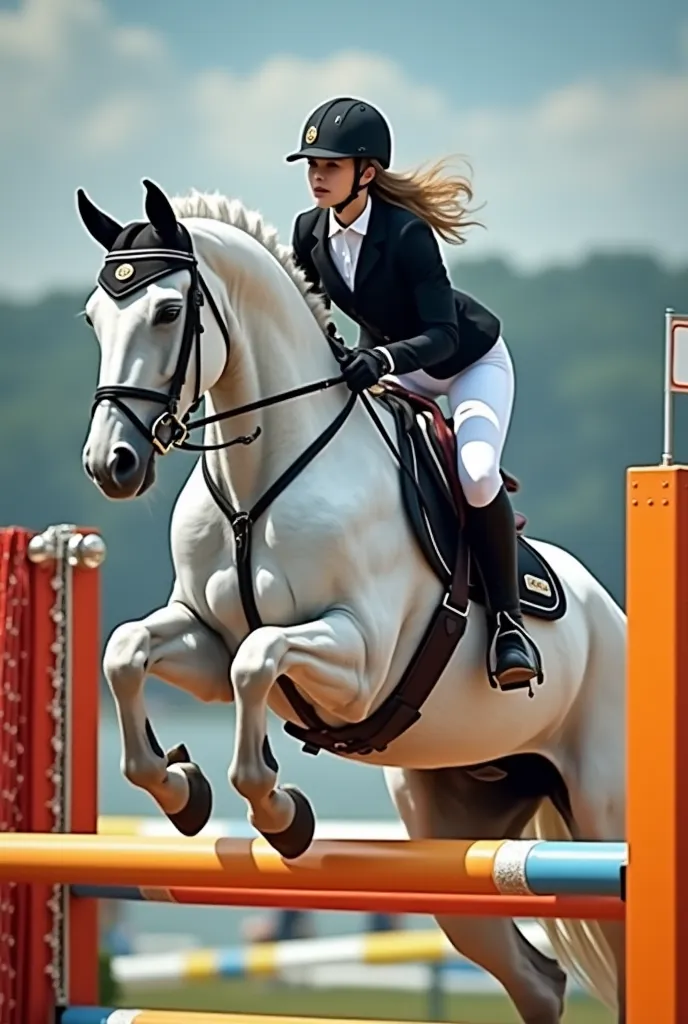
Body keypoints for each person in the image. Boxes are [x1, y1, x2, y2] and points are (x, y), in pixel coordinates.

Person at [285, 96, 540, 690]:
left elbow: (443, 334)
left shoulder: (407, 235)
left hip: (466, 363)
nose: (317, 176)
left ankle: (507, 624)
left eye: (331, 166)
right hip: (393, 367)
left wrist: (379, 358)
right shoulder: (308, 233)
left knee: (476, 474)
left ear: (366, 173)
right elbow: (311, 317)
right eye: (312, 166)